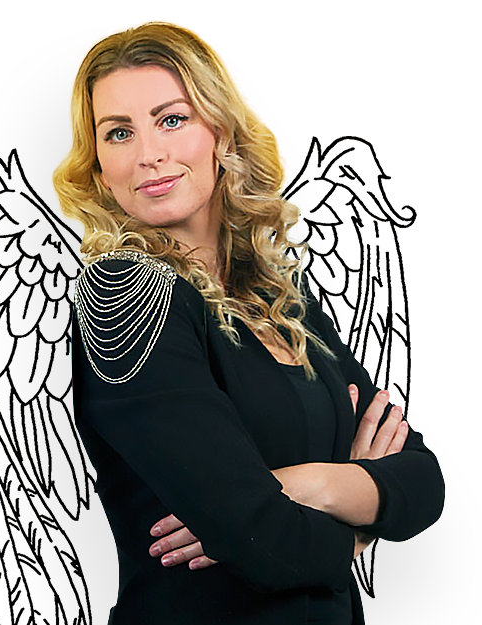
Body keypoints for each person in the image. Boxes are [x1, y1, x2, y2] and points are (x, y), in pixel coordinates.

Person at [51, 20, 446, 625]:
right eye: (119, 132)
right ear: (101, 167)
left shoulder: (280, 295)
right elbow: (264, 544)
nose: (148, 153)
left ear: (222, 133)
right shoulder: (124, 294)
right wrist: (363, 512)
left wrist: (306, 483)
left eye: (171, 119)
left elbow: (424, 479)